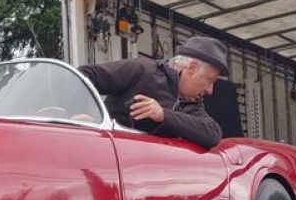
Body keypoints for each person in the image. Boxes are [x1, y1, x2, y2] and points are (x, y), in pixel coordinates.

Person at [78, 36, 228, 149]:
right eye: (209, 80)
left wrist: (163, 115)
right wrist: (80, 113)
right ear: (192, 68)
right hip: (110, 155)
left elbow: (213, 134)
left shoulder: (193, 104)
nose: (210, 90)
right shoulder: (144, 70)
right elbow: (85, 75)